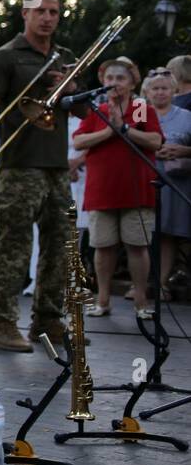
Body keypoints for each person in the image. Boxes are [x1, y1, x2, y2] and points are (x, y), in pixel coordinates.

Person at [0, 0, 85, 351]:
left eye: (54, 12)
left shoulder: (65, 56)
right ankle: (3, 323)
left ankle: (47, 319)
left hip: (56, 167)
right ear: (25, 14)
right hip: (18, 166)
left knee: (60, 245)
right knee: (14, 246)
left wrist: (71, 88)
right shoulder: (7, 56)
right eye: (40, 10)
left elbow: (83, 111)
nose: (47, 18)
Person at [73, 57, 163, 320]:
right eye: (110, 78)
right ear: (102, 81)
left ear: (132, 81)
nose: (114, 83)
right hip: (102, 190)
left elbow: (155, 140)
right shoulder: (96, 109)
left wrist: (123, 127)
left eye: (120, 78)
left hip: (136, 189)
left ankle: (140, 301)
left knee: (137, 245)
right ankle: (102, 300)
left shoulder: (139, 108)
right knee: (102, 247)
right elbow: (78, 142)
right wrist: (109, 132)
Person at [143, 69, 191, 297]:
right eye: (155, 88)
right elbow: (127, 137)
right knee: (141, 232)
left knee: (167, 233)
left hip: (175, 181)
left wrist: (183, 150)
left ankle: (161, 284)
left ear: (174, 90)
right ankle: (139, 284)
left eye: (165, 88)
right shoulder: (140, 111)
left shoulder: (186, 116)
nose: (160, 92)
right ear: (146, 91)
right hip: (144, 177)